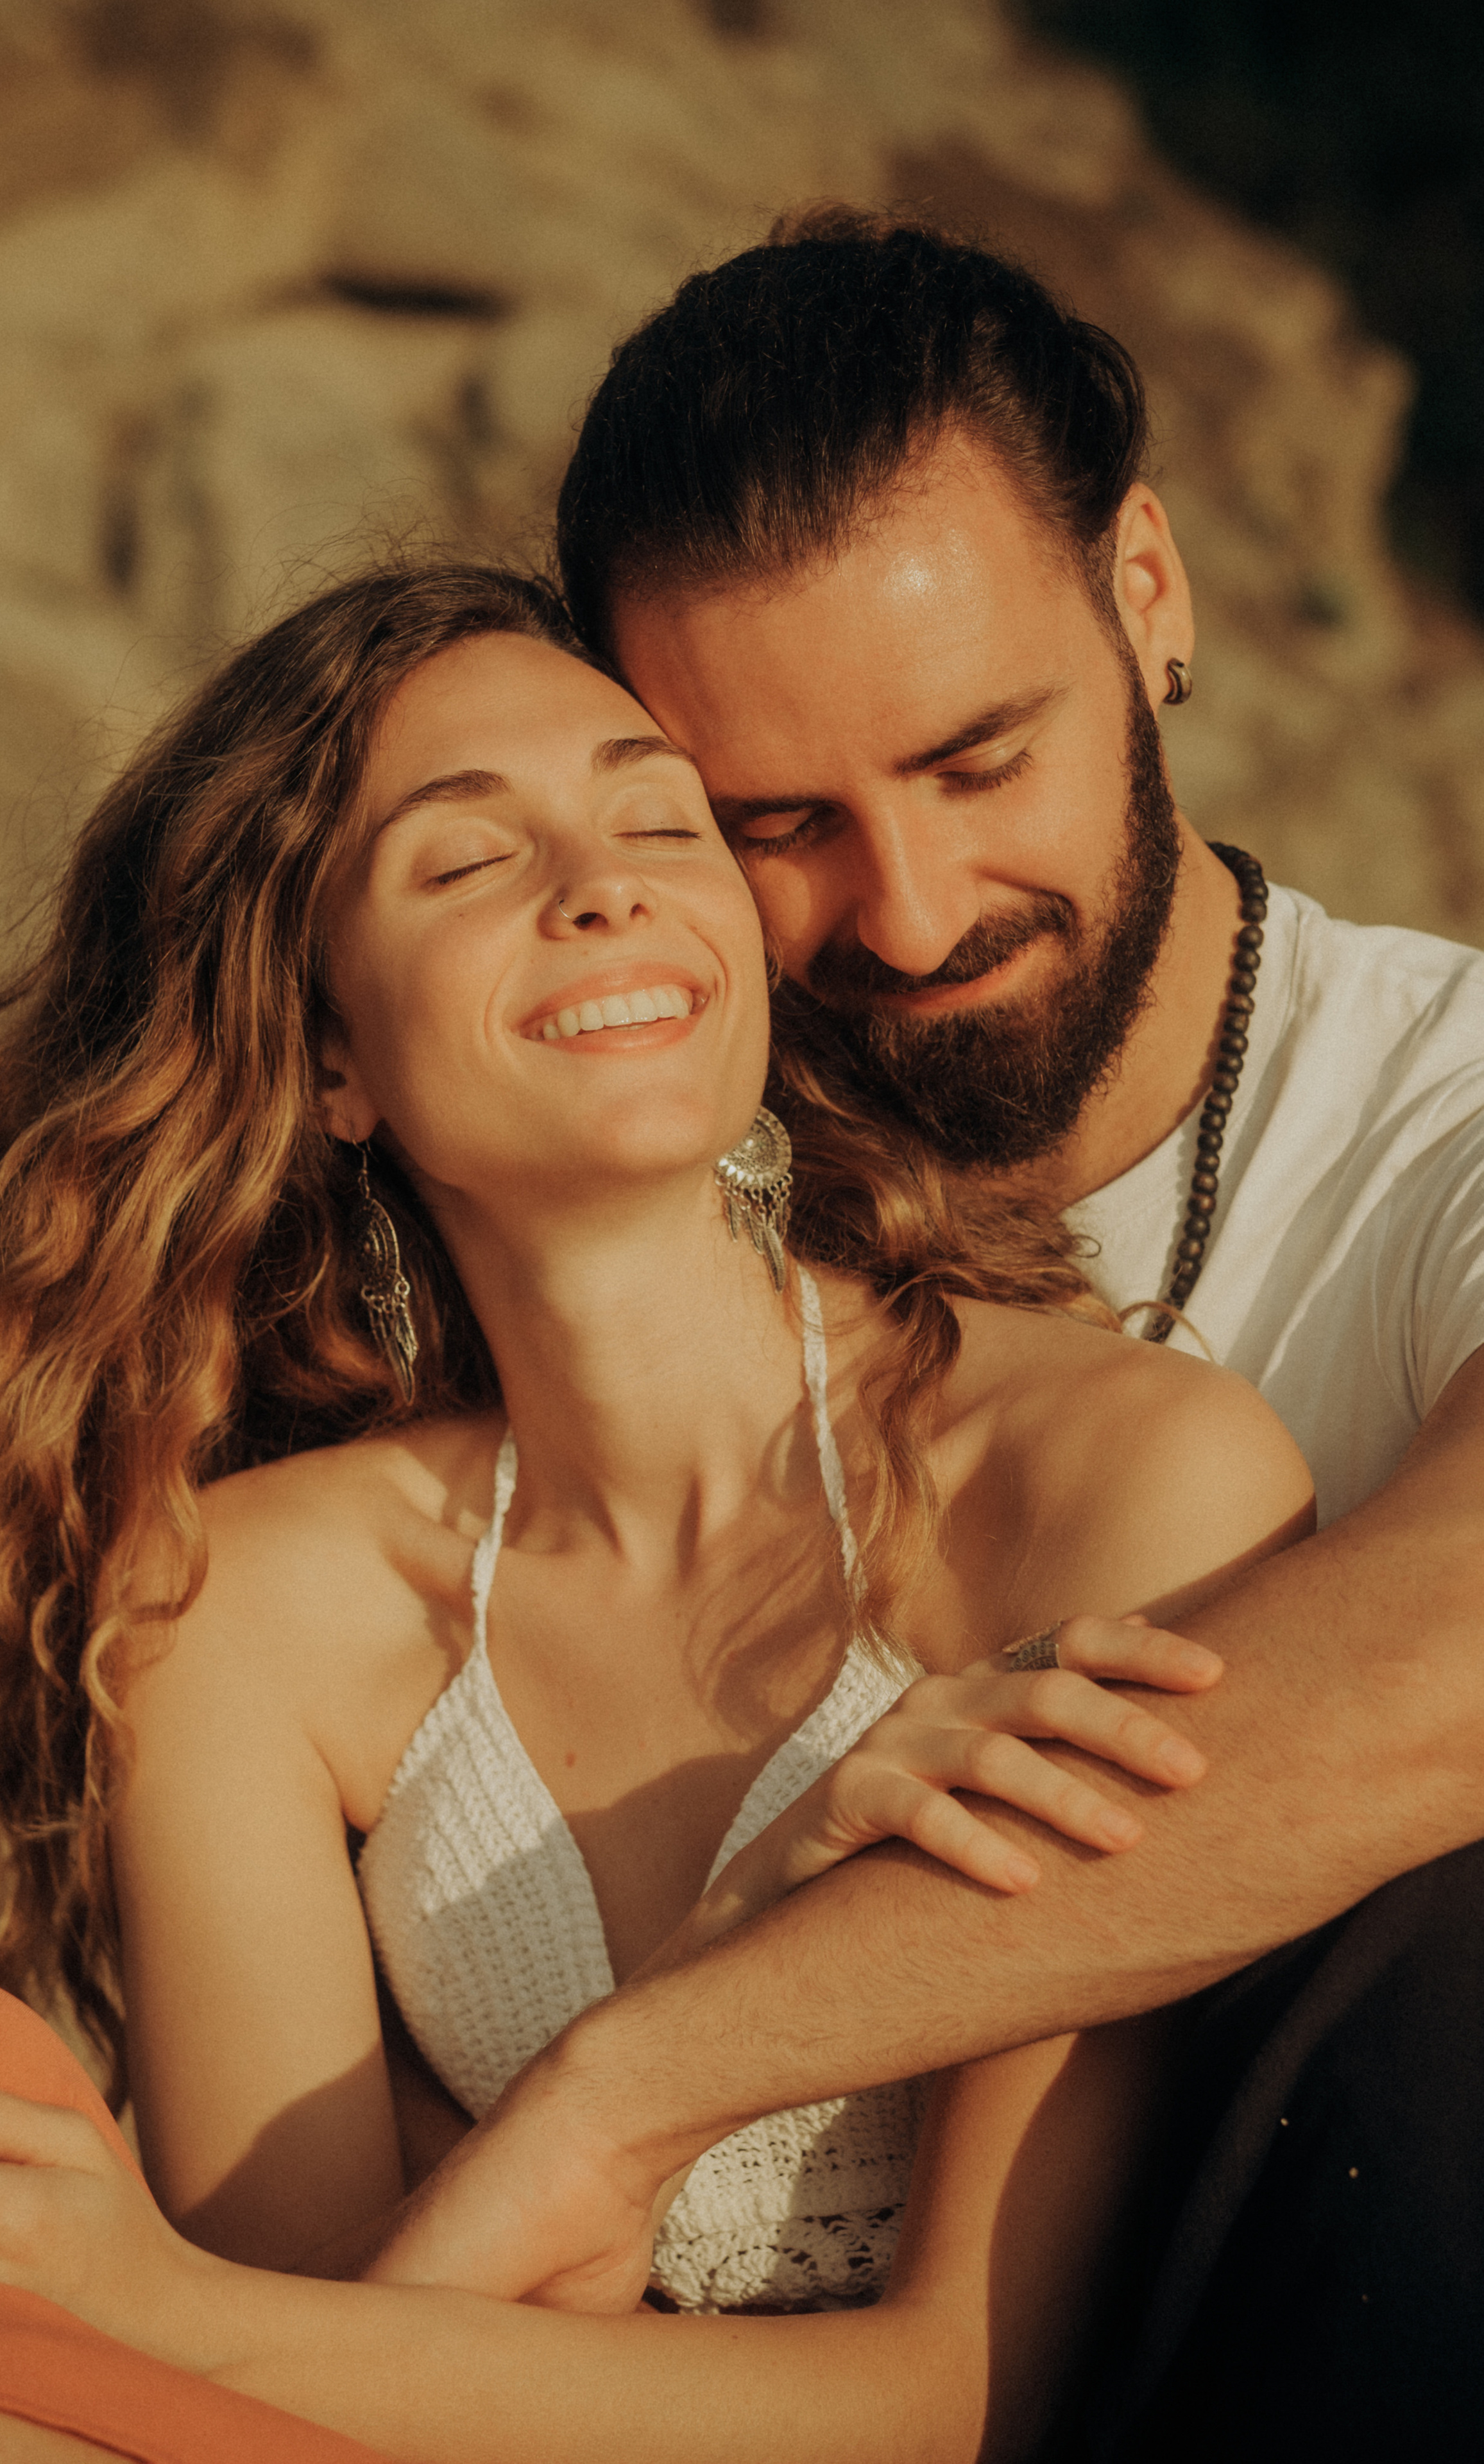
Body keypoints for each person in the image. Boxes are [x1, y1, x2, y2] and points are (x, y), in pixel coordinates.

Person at [0, 558, 1311, 2459]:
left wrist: (175, 2307)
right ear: (335, 1063)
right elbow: (316, 2402)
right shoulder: (247, 1609)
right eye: (465, 864)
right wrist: (717, 1984)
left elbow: (958, 2400)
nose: (597, 883)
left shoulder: (1110, 1480)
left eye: (656, 816)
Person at [357, 210, 1484, 2454]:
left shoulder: (1438, 1112)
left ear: (1145, 597)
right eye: (777, 823)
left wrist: (654, 2073)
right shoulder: (588, 1157)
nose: (912, 908)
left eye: (980, 761)